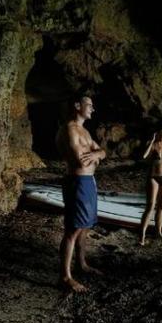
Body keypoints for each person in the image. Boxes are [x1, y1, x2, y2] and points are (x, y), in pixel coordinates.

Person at [55, 94, 106, 292]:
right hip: (77, 182)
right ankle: (65, 277)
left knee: (85, 226)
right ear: (77, 106)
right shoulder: (69, 130)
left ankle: (82, 264)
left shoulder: (84, 131)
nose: (92, 108)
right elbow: (80, 161)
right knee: (73, 229)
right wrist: (95, 155)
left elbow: (101, 152)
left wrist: (97, 154)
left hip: (88, 181)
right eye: (89, 105)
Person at [138, 124, 162, 246]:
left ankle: (158, 232)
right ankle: (142, 236)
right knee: (150, 206)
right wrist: (152, 140)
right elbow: (143, 156)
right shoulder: (153, 144)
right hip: (153, 177)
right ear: (157, 132)